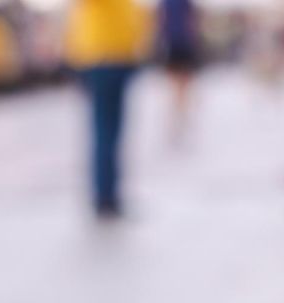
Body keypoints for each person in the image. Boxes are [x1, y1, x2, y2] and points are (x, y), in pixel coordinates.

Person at [65, 0, 150, 218]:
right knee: (106, 131)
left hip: (118, 59)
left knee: (112, 132)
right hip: (103, 59)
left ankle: (110, 194)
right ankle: (105, 197)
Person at [157, 0, 200, 144]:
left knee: (177, 87)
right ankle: (179, 120)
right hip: (181, 45)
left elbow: (162, 21)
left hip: (175, 45)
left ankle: (177, 121)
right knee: (181, 88)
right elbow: (192, 21)